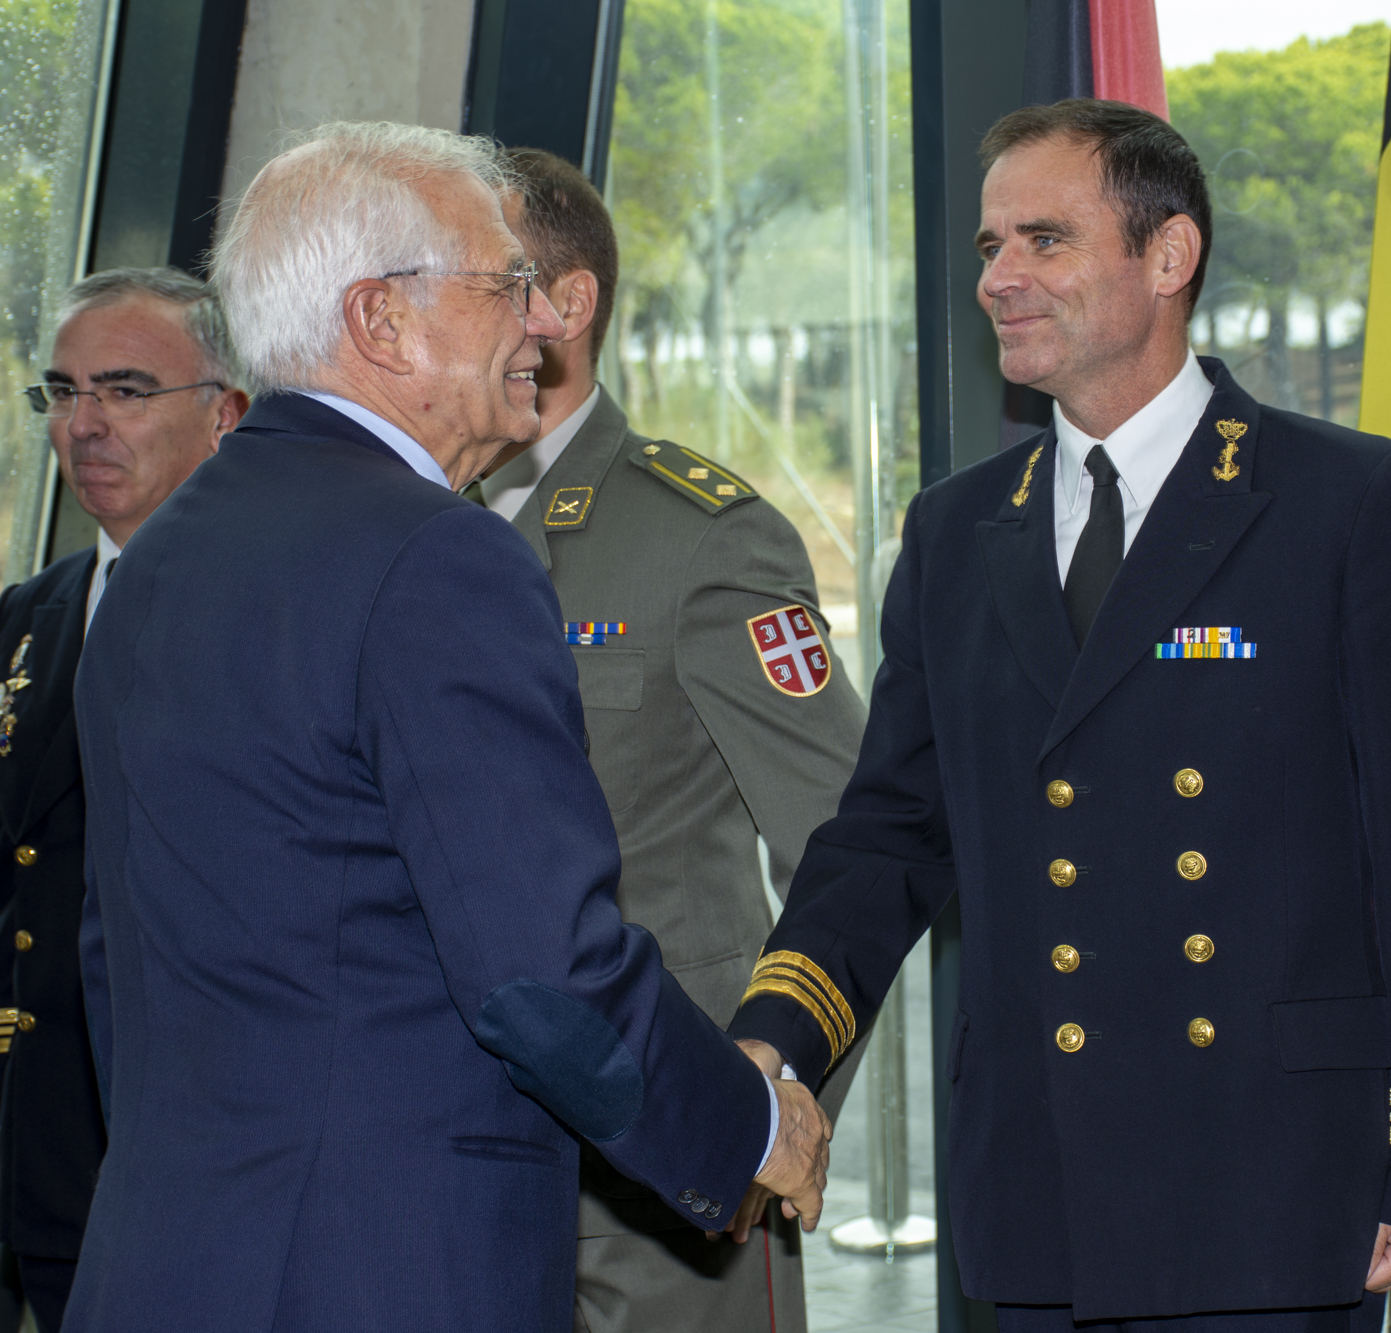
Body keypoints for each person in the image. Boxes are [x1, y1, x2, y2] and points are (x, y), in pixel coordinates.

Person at [727, 99, 1391, 1332]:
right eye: (989, 248)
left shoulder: (1339, 503)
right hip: (1038, 1178)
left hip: (1272, 1182)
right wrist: (772, 1044)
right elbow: (886, 834)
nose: (999, 278)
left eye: (1043, 240)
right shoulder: (953, 529)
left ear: (1167, 257)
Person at [64, 122, 831, 1333]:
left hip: (174, 1260)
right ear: (383, 322)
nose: (542, 321)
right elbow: (541, 974)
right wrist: (744, 1126)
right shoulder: (435, 555)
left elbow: (118, 964)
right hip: (385, 1272)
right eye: (506, 285)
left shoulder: (156, 564)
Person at [476, 147, 868, 1333]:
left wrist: (770, 1103)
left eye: (467, 280)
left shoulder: (696, 536)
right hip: (453, 1157)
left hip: (659, 1167)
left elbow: (843, 839)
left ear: (560, 305)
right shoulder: (404, 530)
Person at [0, 268, 247, 1332]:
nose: (84, 423)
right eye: (61, 391)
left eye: (126, 389)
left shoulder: (265, 623)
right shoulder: (26, 617)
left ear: (225, 414)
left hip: (168, 1157)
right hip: (24, 1146)